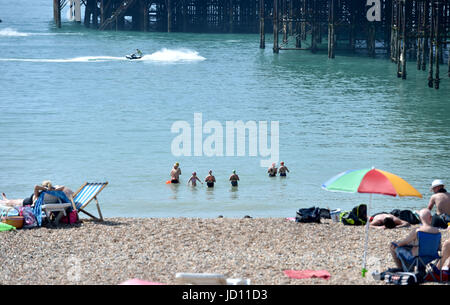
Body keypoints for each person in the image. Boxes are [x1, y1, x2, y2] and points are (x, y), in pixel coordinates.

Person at [1, 181, 67, 207]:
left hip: (28, 201)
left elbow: (36, 186)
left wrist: (45, 189)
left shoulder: (42, 194)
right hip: (29, 200)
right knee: (15, 200)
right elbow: (63, 187)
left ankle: (4, 200)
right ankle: (5, 198)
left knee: (10, 202)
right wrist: (54, 189)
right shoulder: (53, 192)